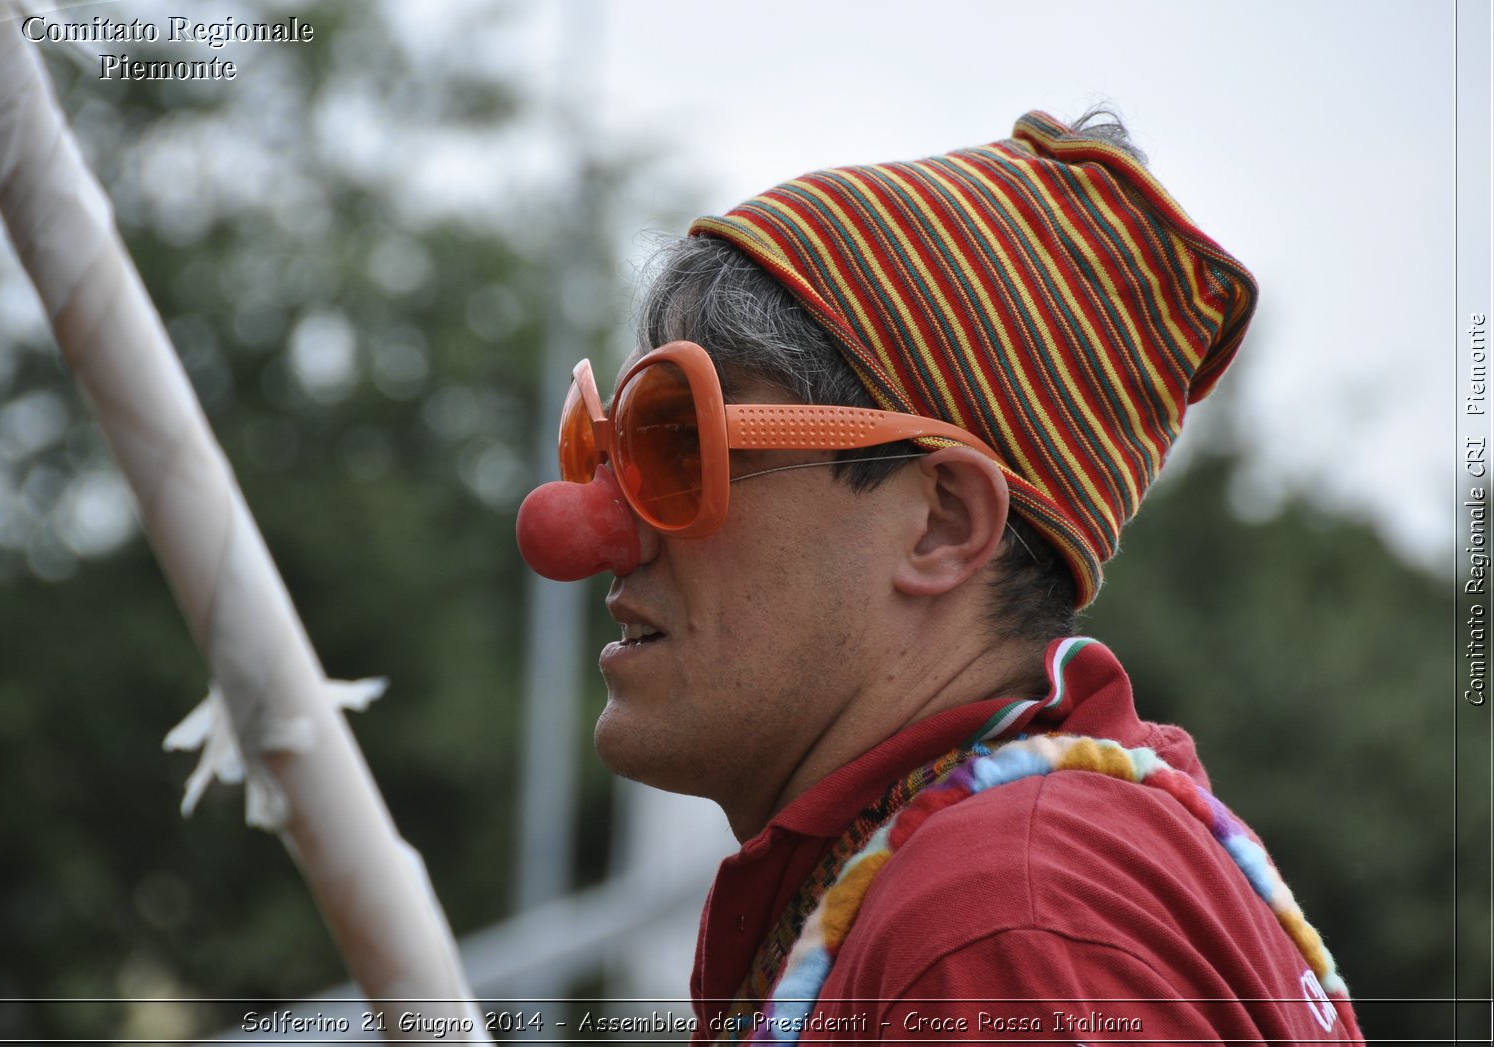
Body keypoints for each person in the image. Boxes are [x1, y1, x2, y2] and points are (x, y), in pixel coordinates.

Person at [516, 110, 1364, 1043]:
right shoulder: (987, 886)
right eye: (604, 447)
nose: (596, 531)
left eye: (680, 446)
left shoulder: (1000, 927)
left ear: (942, 523)